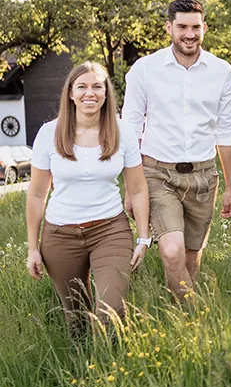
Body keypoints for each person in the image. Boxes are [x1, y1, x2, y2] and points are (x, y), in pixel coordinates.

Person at [121, 0, 231, 299]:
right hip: (157, 175)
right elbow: (131, 130)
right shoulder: (144, 70)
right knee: (171, 252)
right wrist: (130, 188)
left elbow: (226, 131)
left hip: (203, 177)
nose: (189, 34)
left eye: (195, 27)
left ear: (204, 28)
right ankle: (196, 319)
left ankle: (178, 317)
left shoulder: (222, 72)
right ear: (169, 27)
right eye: (182, 26)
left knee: (189, 257)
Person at [26, 62, 151, 337]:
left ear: (106, 93)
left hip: (110, 230)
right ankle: (84, 368)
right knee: (77, 318)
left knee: (111, 309)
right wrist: (32, 248)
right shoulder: (49, 133)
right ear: (70, 93)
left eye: (97, 86)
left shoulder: (122, 132)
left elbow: (139, 188)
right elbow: (36, 194)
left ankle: (114, 369)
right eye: (81, 86)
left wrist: (143, 238)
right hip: (60, 236)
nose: (89, 93)